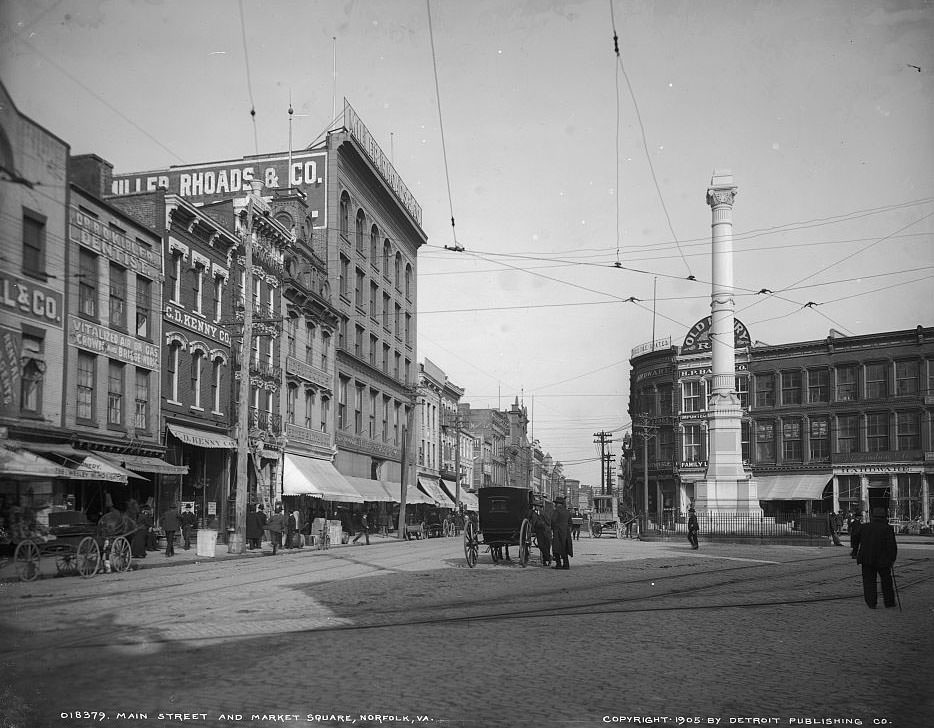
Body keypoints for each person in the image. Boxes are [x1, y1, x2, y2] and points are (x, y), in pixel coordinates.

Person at [852, 506, 898, 609]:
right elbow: (892, 546)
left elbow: (854, 537)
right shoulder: (887, 528)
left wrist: (855, 551)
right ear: (884, 517)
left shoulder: (864, 527)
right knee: (886, 582)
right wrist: (892, 559)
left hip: (867, 559)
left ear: (872, 516)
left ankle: (871, 603)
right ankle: (889, 602)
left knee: (869, 582)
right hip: (883, 560)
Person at [550, 495, 573, 570]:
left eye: (556, 503)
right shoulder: (567, 512)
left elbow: (553, 520)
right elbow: (570, 523)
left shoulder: (556, 511)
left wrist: (553, 528)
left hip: (558, 532)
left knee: (556, 548)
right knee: (564, 548)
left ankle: (558, 564)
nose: (555, 505)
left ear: (557, 504)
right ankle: (566, 564)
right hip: (566, 533)